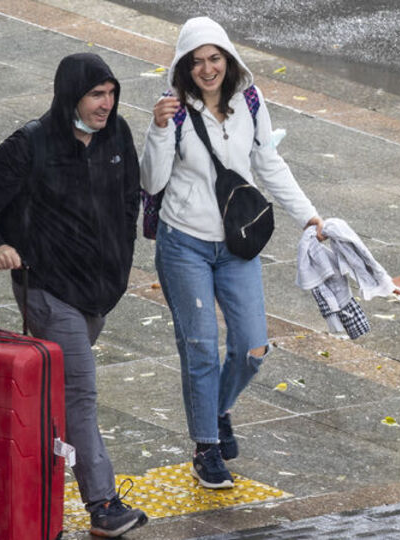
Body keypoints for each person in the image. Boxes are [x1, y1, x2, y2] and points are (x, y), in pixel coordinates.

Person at [0, 53, 147, 538]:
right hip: (48, 291)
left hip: (97, 294)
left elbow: (128, 199)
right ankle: (102, 504)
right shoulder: (31, 144)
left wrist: (121, 257)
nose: (107, 104)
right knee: (79, 392)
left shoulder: (117, 135)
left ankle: (30, 488)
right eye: (96, 95)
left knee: (55, 398)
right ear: (70, 97)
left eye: (111, 93)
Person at [139, 17, 325, 490]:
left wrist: (310, 216)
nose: (207, 69)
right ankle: (206, 447)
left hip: (238, 243)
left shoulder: (250, 101)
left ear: (228, 59)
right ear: (184, 66)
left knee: (251, 346)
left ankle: (218, 410)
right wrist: (159, 130)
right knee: (200, 346)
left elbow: (268, 162)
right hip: (184, 243)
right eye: (197, 61)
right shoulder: (174, 111)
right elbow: (153, 182)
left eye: (215, 58)